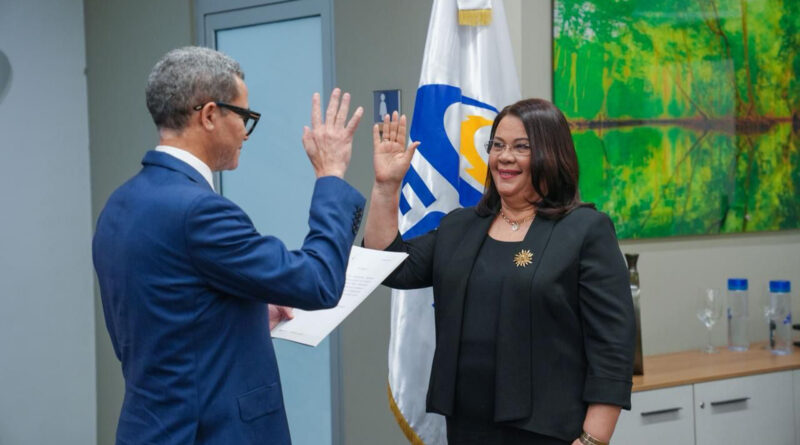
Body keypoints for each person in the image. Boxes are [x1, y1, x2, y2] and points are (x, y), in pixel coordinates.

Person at [92, 46, 365, 445]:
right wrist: (331, 175)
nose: (245, 133)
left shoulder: (119, 204)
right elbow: (318, 281)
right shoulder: (199, 211)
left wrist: (243, 313)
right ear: (209, 115)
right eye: (244, 117)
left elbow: (162, 316)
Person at [364, 99, 635, 445]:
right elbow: (389, 265)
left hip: (550, 432)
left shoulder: (585, 230)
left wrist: (593, 439)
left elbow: (612, 346)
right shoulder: (460, 226)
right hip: (466, 428)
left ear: (552, 154)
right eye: (497, 145)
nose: (505, 157)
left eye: (522, 147)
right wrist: (386, 187)